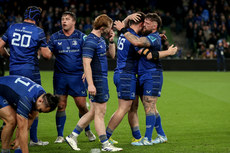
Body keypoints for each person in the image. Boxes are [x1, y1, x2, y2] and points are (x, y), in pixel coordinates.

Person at [114, 12, 177, 145]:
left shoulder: (152, 37)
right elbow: (142, 47)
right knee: (151, 107)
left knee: (149, 106)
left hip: (152, 74)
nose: (144, 25)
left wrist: (123, 29)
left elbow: (140, 46)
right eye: (144, 22)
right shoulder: (150, 36)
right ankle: (161, 135)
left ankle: (147, 139)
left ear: (154, 26)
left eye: (147, 23)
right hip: (143, 75)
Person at [65, 14, 122, 152]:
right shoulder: (91, 40)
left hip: (100, 78)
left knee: (93, 112)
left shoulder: (100, 39)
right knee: (100, 113)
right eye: (109, 27)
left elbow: (112, 55)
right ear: (102, 27)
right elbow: (86, 62)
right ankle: (105, 144)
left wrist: (111, 41)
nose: (111, 29)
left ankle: (72, 136)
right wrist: (90, 84)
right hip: (96, 80)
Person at [0, 6, 53, 146]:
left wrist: (7, 55)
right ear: (37, 18)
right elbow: (47, 55)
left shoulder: (12, 27)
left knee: (13, 105)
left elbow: (0, 45)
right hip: (31, 72)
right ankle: (32, 140)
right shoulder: (38, 31)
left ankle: (7, 133)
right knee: (35, 107)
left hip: (13, 72)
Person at [48, 11, 95, 143]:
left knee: (81, 105)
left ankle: (87, 130)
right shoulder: (55, 37)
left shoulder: (81, 37)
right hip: (60, 76)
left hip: (77, 76)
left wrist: (87, 70)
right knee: (61, 105)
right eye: (63, 19)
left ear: (73, 22)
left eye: (67, 19)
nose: (64, 21)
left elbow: (89, 53)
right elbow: (47, 54)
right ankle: (60, 135)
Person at [106, 12, 145, 146]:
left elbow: (122, 25)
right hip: (126, 75)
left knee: (133, 106)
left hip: (123, 74)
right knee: (124, 108)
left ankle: (137, 137)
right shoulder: (133, 37)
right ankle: (106, 137)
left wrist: (127, 17)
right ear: (140, 24)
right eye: (144, 24)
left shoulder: (125, 32)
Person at [0, 75, 59, 153]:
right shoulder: (26, 99)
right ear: (40, 101)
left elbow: (30, 119)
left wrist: (18, 141)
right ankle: (5, 151)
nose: (39, 112)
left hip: (5, 91)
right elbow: (22, 129)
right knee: (11, 121)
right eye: (40, 110)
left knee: (16, 122)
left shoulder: (42, 94)